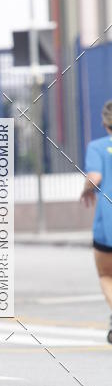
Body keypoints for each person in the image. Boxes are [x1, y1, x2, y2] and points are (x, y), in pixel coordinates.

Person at [80, 100, 112, 343]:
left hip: (107, 220)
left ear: (104, 122)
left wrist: (86, 190)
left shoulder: (98, 147)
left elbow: (95, 177)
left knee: (106, 275)